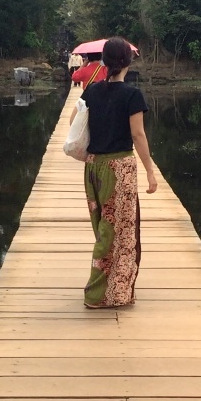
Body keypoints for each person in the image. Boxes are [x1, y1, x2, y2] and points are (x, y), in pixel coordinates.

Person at [69, 37, 157, 309]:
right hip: (118, 169)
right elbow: (138, 134)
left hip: (93, 167)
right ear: (128, 63)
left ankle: (114, 291)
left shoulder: (92, 91)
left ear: (104, 62)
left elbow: (74, 121)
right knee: (118, 232)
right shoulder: (132, 95)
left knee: (105, 229)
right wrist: (150, 172)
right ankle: (98, 294)